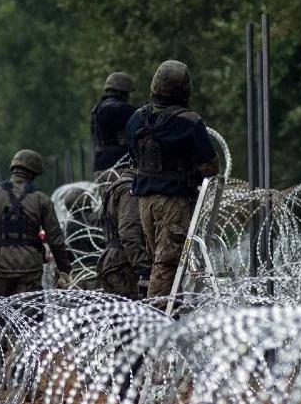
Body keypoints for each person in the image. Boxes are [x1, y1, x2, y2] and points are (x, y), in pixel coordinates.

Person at [126, 60, 219, 300]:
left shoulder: (136, 118)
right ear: (185, 88)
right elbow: (210, 166)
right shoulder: (190, 121)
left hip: (144, 200)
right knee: (167, 265)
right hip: (173, 203)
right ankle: (157, 323)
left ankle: (165, 314)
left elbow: (133, 156)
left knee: (156, 261)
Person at [0, 149, 72, 296]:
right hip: (30, 268)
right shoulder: (42, 199)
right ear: (34, 173)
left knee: (1, 316)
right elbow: (56, 239)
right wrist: (65, 269)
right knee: (29, 317)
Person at [97, 169, 150, 299]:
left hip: (114, 261)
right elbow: (128, 233)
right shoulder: (128, 189)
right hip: (125, 264)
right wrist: (144, 269)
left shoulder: (114, 190)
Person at [90, 71, 136, 182]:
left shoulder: (97, 109)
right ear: (123, 92)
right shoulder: (123, 109)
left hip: (100, 166)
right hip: (121, 166)